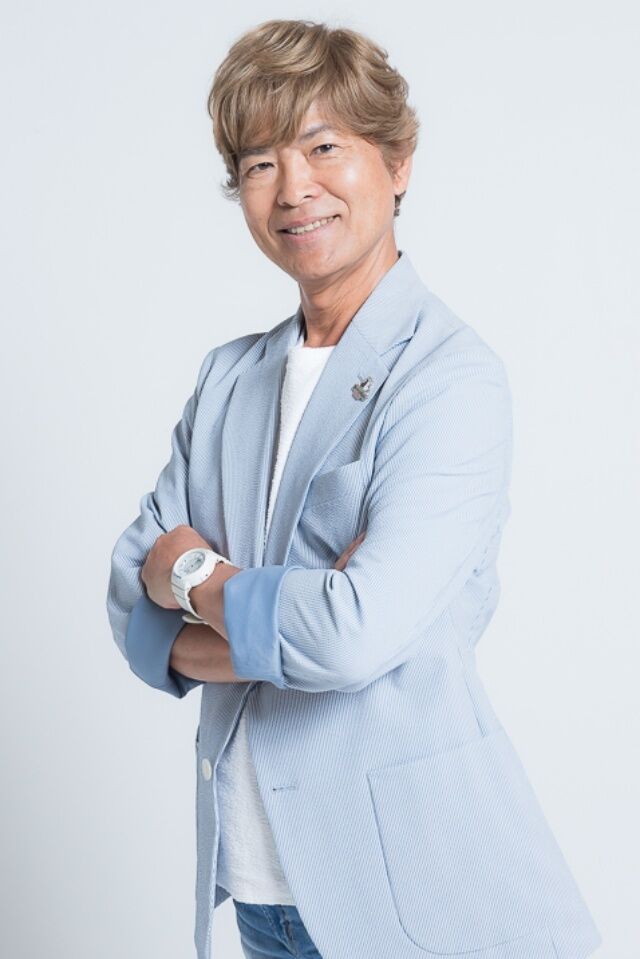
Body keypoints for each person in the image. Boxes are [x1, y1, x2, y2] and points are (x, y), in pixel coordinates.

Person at [106, 18, 603, 959]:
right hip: (261, 894)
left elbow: (351, 634)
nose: (294, 188)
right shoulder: (228, 379)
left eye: (323, 147)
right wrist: (292, 612)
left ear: (398, 162)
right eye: (260, 163)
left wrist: (197, 577)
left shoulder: (449, 379)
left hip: (415, 892)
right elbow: (132, 613)